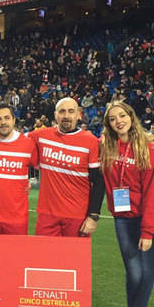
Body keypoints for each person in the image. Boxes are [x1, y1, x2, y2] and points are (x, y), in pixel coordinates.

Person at [100, 101, 154, 307]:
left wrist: (148, 231)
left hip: (146, 218)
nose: (119, 121)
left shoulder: (148, 147)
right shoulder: (106, 145)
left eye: (122, 115)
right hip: (122, 217)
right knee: (132, 269)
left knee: (145, 269)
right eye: (113, 118)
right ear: (108, 124)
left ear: (131, 116)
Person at [28, 97, 105, 237]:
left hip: (77, 216)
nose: (66, 116)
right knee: (42, 258)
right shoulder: (40, 136)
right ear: (55, 115)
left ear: (78, 115)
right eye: (62, 111)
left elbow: (99, 182)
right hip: (47, 214)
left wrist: (93, 216)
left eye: (71, 111)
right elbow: (11, 139)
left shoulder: (90, 141)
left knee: (74, 259)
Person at [0, 103, 38, 235]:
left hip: (17, 217)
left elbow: (45, 169)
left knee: (16, 255)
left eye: (7, 118)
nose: (3, 122)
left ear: (13, 120)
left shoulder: (28, 144)